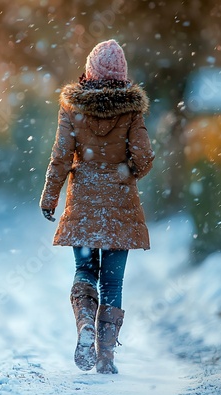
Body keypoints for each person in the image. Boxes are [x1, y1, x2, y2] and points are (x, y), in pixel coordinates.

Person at [40, 39, 154, 374]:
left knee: (85, 271)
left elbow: (61, 156)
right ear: (122, 75)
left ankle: (85, 325)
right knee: (113, 283)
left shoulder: (72, 107)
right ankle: (106, 355)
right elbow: (144, 157)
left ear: (89, 72)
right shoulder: (132, 110)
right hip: (121, 206)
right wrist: (126, 171)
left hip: (85, 204)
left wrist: (50, 197)